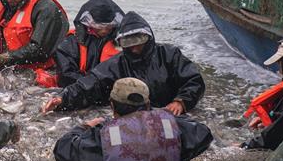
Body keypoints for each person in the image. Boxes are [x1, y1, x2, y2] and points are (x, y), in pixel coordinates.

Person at [53, 78, 213, 161]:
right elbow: (203, 133)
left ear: (112, 105)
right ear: (148, 104)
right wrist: (162, 117)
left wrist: (85, 126)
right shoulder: (169, 126)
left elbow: (63, 151)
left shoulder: (103, 135)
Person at [42, 11, 205, 114]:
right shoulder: (116, 64)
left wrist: (181, 102)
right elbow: (91, 83)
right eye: (128, 43)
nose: (135, 48)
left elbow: (194, 80)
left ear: (148, 37)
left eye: (139, 41)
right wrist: (62, 98)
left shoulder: (169, 54)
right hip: (134, 117)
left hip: (170, 112)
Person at [53, 0, 124, 87]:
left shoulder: (122, 41)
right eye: (99, 26)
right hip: (82, 87)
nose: (104, 30)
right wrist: (94, 82)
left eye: (108, 26)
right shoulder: (70, 43)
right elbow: (65, 76)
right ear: (88, 23)